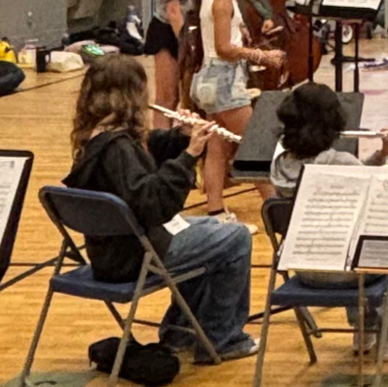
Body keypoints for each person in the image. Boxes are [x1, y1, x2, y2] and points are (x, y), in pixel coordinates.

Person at [64, 55, 255, 363]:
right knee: (236, 238)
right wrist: (190, 155)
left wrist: (178, 137)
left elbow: (147, 156)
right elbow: (153, 203)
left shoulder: (97, 138)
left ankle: (180, 333)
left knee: (211, 234)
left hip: (112, 251)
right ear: (131, 94)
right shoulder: (118, 149)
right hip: (137, 255)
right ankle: (222, 338)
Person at [270, 82, 388, 361]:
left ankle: (364, 328)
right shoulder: (340, 162)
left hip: (304, 268)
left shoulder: (278, 167)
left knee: (341, 237)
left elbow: (357, 178)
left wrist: (382, 154)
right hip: (346, 274)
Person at [190, 0, 282, 216]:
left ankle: (216, 211)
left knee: (218, 147)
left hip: (208, 80)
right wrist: (262, 56)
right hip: (224, 80)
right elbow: (225, 48)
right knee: (253, 145)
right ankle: (274, 207)